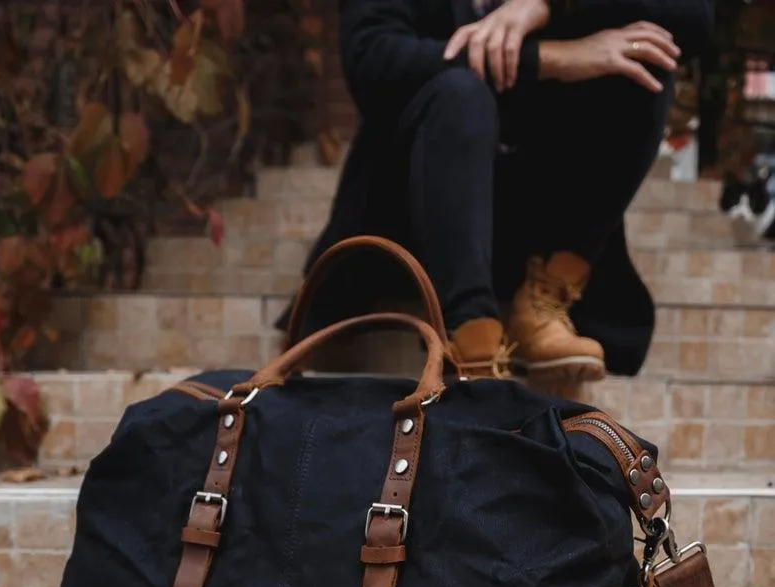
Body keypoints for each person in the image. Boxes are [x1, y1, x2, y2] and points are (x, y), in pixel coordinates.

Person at [277, 0, 714, 386]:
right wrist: (547, 58)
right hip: (413, 222)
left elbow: (695, 14)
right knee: (462, 90)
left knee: (641, 51)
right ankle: (471, 333)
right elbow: (371, 58)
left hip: (539, 223)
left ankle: (547, 296)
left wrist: (549, 5)